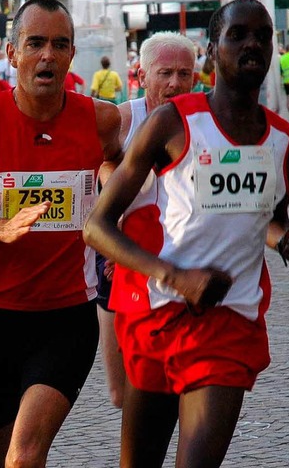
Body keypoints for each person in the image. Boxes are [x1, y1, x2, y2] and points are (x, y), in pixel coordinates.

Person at [83, 0, 289, 467]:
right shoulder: (171, 123)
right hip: (157, 312)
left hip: (230, 319)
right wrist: (177, 277)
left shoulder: (286, 142)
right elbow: (96, 227)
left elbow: (267, 217)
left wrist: (285, 239)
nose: (252, 43)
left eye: (262, 35)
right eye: (237, 34)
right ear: (213, 51)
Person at [0, 0, 121, 467]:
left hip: (67, 317)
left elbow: (117, 158)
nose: (47, 56)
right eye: (35, 43)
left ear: (72, 54)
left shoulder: (101, 119)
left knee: (25, 454)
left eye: (59, 44)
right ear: (12, 54)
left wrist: (110, 194)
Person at [95, 31, 197, 409]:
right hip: (121, 251)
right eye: (165, 72)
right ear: (141, 75)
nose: (175, 83)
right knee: (124, 392)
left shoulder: (204, 121)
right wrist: (115, 204)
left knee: (186, 382)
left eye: (184, 73)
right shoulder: (124, 118)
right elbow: (102, 163)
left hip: (181, 258)